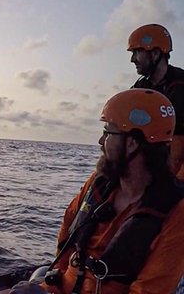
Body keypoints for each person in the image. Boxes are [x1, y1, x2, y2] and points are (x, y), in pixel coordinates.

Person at [11, 89, 184, 294]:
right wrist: (54, 283)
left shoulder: (176, 213)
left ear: (132, 143)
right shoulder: (99, 183)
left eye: (108, 132)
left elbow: (149, 290)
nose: (101, 142)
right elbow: (68, 228)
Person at [127, 24, 184, 180]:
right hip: (153, 166)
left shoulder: (180, 84)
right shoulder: (140, 88)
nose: (132, 59)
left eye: (137, 52)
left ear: (155, 53)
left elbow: (177, 143)